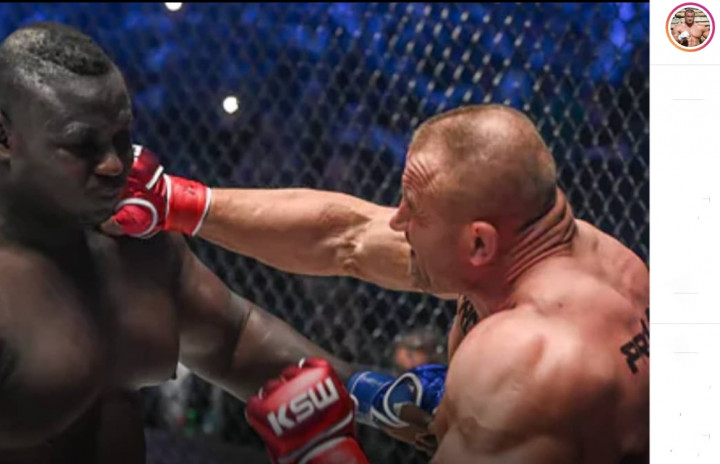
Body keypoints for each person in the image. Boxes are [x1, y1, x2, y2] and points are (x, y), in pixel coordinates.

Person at [0, 22, 367, 464]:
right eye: (82, 145)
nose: (115, 165)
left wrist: (380, 396)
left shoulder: (126, 235)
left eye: (122, 137)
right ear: (1, 139)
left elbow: (232, 341)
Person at [107, 104, 650, 463]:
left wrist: (324, 451)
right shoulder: (550, 247)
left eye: (413, 209)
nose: (396, 221)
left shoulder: (526, 361)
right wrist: (178, 202)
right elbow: (346, 237)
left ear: (478, 243)